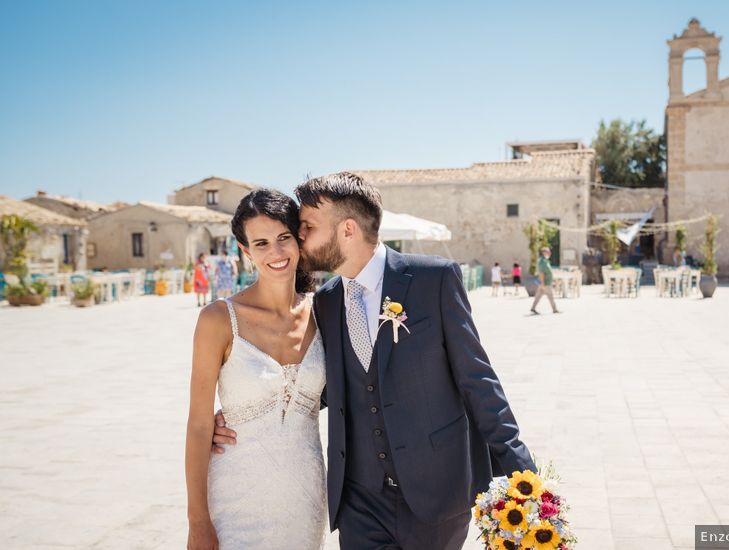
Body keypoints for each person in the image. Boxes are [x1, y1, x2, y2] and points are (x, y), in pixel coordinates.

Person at [212, 172, 534, 549]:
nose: (299, 238)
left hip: (437, 495)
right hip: (359, 502)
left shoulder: (434, 279)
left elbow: (478, 382)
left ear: (347, 230)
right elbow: (329, 385)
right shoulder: (327, 302)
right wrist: (250, 412)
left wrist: (522, 473)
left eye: (308, 228)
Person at [185, 189, 326, 549]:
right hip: (236, 498)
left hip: (305, 497)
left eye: (283, 238)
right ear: (245, 251)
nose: (276, 253)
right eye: (261, 243)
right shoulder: (218, 319)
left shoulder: (324, 313)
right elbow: (200, 424)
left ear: (299, 240)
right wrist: (198, 521)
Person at [530, 246, 559, 314]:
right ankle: (554, 309)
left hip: (544, 282)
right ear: (543, 252)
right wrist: (542, 283)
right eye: (548, 252)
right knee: (550, 295)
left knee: (538, 295)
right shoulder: (542, 261)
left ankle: (533, 308)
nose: (550, 253)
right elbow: (541, 273)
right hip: (545, 282)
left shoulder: (545, 260)